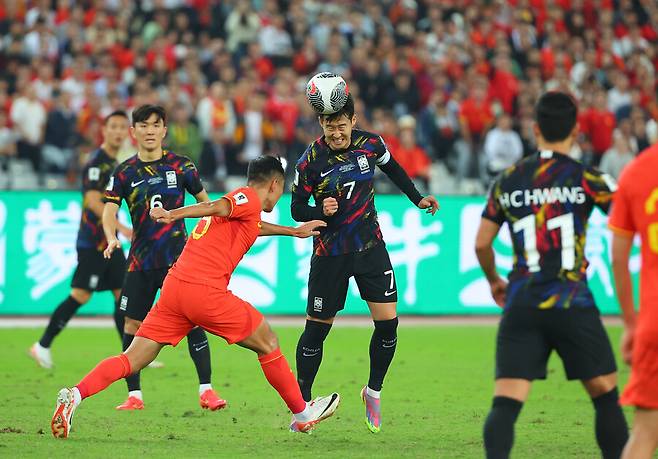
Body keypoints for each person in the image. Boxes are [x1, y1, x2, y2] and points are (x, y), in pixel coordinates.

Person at [51, 156, 340, 438]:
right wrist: (171, 214)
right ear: (276, 184)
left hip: (174, 289)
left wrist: (293, 231)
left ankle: (74, 396)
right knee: (268, 342)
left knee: (132, 359)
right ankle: (302, 415)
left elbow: (254, 226)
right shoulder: (247, 197)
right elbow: (215, 206)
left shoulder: (246, 212)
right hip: (204, 291)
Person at [475, 91, 628, 459]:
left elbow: (482, 244)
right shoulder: (588, 178)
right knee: (606, 399)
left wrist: (495, 280)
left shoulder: (508, 180)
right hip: (572, 300)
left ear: (535, 128)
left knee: (505, 405)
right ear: (576, 131)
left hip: (522, 302)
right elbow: (628, 216)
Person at [290, 94, 439, 433]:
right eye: (330, 126)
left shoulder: (370, 144)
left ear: (353, 122)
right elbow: (296, 209)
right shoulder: (310, 160)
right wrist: (318, 211)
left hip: (370, 247)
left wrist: (417, 198)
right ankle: (302, 409)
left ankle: (373, 391)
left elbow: (395, 170)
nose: (336, 133)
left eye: (341, 126)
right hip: (330, 254)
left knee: (388, 326)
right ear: (321, 124)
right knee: (316, 330)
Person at [102, 104, 223, 411]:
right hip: (141, 262)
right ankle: (134, 396)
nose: (150, 130)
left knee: (194, 320)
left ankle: (206, 390)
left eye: (156, 125)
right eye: (144, 125)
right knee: (131, 323)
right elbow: (109, 208)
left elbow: (206, 204)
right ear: (134, 132)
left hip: (177, 262)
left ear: (164, 130)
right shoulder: (124, 172)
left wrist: (208, 235)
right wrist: (111, 236)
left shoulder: (182, 166)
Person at [29, 111, 132, 369]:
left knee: (123, 294)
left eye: (123, 127)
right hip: (94, 242)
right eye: (114, 127)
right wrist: (122, 227)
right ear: (104, 130)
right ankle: (42, 345)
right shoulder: (97, 162)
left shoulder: (113, 162)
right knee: (81, 295)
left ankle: (131, 355)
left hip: (110, 241)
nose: (119, 132)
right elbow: (92, 201)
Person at [609, 141, 658, 459]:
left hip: (654, 324)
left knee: (643, 434)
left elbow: (618, 257)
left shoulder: (637, 171)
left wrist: (630, 323)